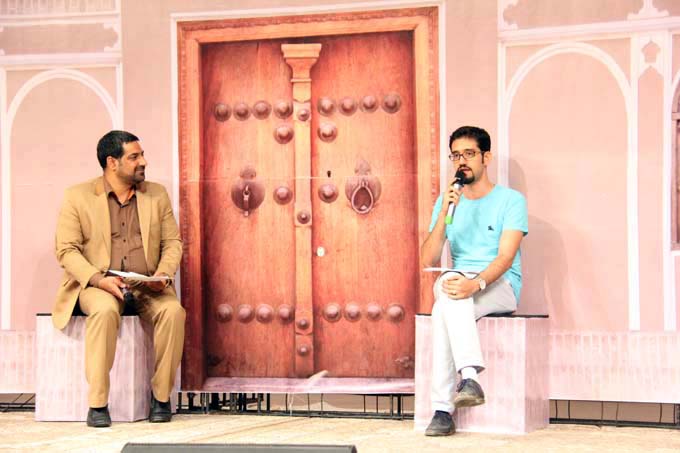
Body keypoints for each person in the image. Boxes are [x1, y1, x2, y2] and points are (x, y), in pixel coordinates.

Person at [52, 130, 185, 427]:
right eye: (134, 157)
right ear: (112, 162)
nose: (143, 162)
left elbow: (172, 243)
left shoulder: (156, 194)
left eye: (142, 155)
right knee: (103, 311)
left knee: (173, 312)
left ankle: (161, 397)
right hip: (100, 283)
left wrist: (162, 275)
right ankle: (98, 404)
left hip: (147, 285)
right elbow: (66, 250)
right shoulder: (78, 196)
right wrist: (98, 280)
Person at [420, 126, 528, 436]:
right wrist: (445, 211)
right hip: (458, 284)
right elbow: (428, 259)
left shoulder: (511, 201)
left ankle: (443, 410)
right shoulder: (448, 202)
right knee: (446, 299)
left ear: (486, 157)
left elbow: (505, 257)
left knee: (446, 298)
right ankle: (467, 381)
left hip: (500, 285)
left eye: (469, 154)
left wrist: (475, 284)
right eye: (456, 155)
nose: (461, 161)